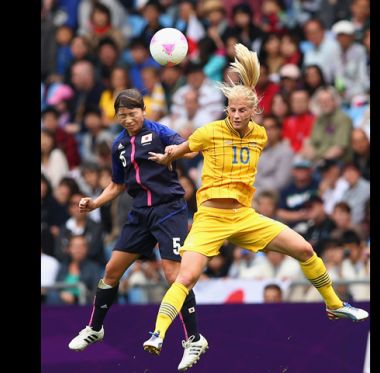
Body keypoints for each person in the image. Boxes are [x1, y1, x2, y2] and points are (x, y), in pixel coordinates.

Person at [145, 43, 368, 356]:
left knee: (304, 248)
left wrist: (248, 82)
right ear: (226, 110)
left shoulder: (260, 135)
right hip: (210, 217)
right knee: (187, 276)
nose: (236, 115)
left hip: (244, 216)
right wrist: (166, 154)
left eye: (242, 110)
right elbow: (182, 149)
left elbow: (248, 95)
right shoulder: (209, 132)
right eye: (231, 110)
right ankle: (158, 334)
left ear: (253, 112)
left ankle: (335, 305)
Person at [67, 89, 209, 372]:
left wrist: (173, 153)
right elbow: (117, 184)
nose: (128, 119)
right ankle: (95, 328)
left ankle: (194, 338)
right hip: (139, 214)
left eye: (133, 114)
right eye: (122, 115)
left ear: (144, 110)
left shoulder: (159, 132)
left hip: (169, 210)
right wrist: (95, 202)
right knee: (111, 271)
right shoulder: (119, 144)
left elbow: (190, 147)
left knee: (173, 275)